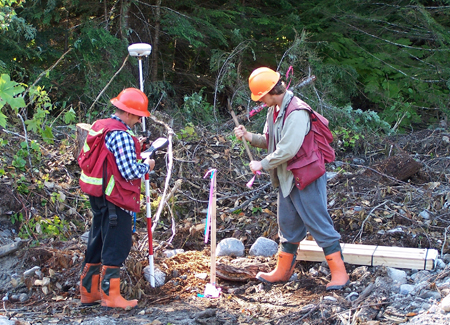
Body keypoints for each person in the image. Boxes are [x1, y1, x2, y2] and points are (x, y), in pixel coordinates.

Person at [234, 67, 349, 290]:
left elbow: (287, 149)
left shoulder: (297, 112)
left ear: (270, 92)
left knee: (319, 224)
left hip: (307, 176)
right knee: (287, 226)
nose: (260, 101)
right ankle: (282, 271)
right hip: (287, 178)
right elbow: (271, 140)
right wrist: (248, 136)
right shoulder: (274, 110)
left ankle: (340, 274)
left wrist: (263, 164)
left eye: (261, 97)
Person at [78, 88, 155, 309]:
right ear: (130, 113)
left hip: (99, 195)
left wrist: (137, 145)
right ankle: (111, 296)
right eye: (139, 116)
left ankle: (89, 293)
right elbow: (129, 171)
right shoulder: (121, 135)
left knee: (97, 240)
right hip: (115, 198)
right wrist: (147, 165)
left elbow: (108, 156)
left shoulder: (101, 127)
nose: (140, 120)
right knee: (116, 244)